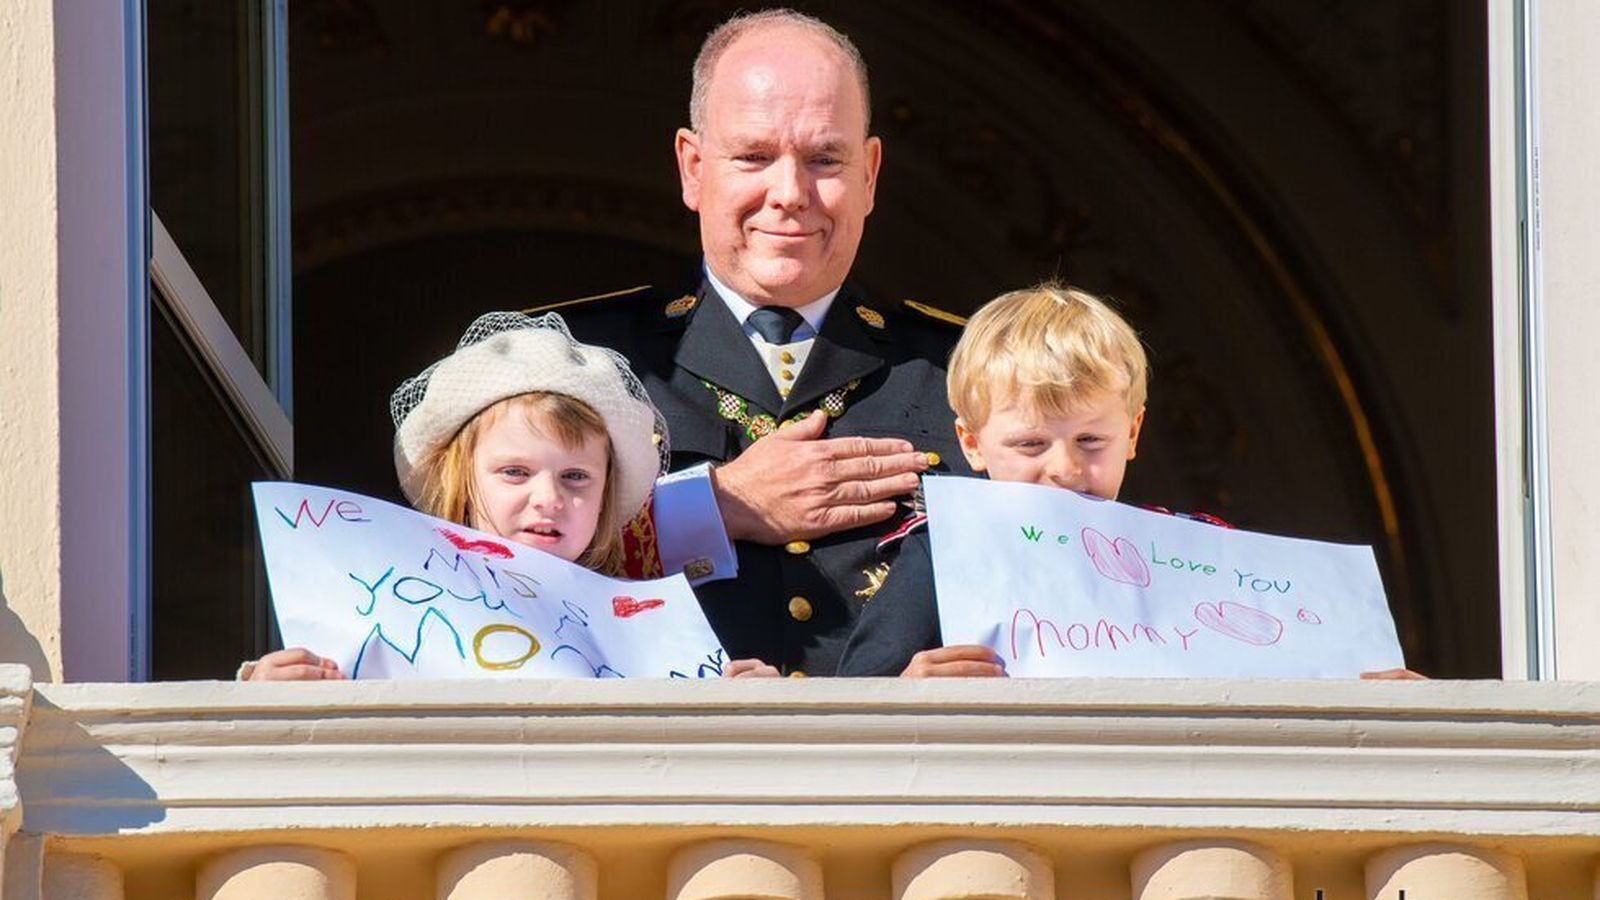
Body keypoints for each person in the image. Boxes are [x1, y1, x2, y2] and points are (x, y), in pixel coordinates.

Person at [550, 9, 967, 676]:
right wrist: (711, 510)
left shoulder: (971, 374)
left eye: (824, 159)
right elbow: (483, 568)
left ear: (871, 173)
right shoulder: (577, 364)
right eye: (753, 156)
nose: (790, 194)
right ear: (692, 167)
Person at [836, 285, 1424, 680]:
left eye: (1091, 442)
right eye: (1029, 444)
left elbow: (1288, 673)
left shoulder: (1196, 550)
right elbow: (857, 700)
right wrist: (906, 693)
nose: (1064, 470)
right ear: (970, 443)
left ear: (1134, 432)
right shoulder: (943, 549)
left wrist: (1367, 685)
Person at [244, 312, 778, 680]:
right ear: (460, 483)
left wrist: (749, 716)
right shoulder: (374, 614)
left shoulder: (652, 635)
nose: (547, 498)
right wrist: (274, 697)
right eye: (514, 472)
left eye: (575, 477)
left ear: (605, 497)